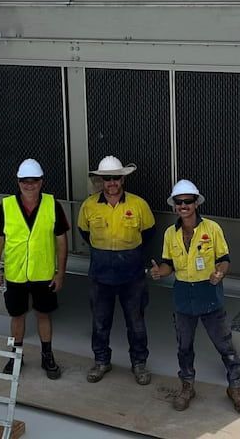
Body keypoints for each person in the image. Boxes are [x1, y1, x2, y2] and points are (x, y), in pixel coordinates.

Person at [150, 179, 240, 416]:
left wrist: (220, 272)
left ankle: (235, 387)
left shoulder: (212, 229)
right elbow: (168, 265)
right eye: (179, 202)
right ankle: (187, 387)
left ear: (196, 203)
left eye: (188, 201)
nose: (183, 206)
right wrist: (159, 272)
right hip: (183, 297)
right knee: (184, 347)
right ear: (174, 206)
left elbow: (224, 258)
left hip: (209, 294)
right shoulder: (170, 234)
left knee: (225, 346)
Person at [77, 155, 155, 385]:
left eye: (116, 178)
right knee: (100, 322)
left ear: (122, 180)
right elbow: (84, 233)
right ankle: (101, 361)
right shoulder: (89, 206)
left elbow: (148, 233)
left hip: (132, 276)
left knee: (136, 322)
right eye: (107, 178)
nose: (111, 183)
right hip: (101, 275)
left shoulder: (138, 205)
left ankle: (139, 363)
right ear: (101, 180)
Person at [0, 158, 69, 380]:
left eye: (34, 181)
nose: (29, 185)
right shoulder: (7, 206)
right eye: (25, 181)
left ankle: (47, 356)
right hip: (16, 273)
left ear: (41, 182)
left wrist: (60, 273)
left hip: (43, 274)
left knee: (44, 314)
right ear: (18, 182)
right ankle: (16, 356)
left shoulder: (53, 205)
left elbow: (62, 240)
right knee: (17, 315)